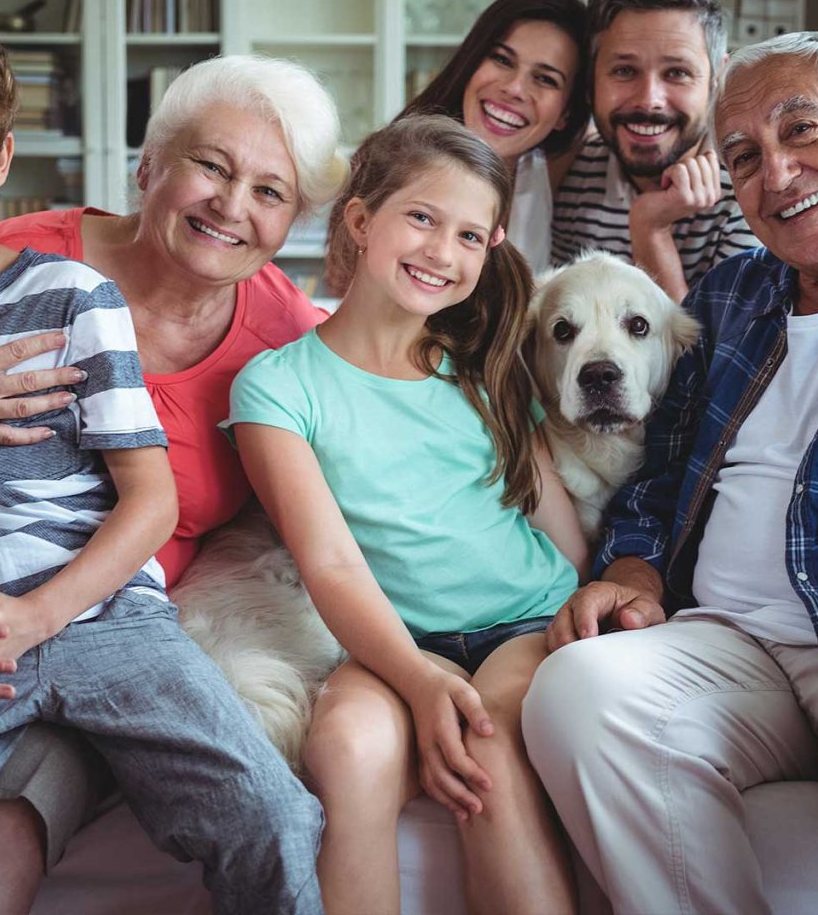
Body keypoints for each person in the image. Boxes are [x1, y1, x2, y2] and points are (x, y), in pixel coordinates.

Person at [0, 7, 325, 914]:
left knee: (272, 818)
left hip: (105, 618)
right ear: (149, 169)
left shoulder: (72, 296)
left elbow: (150, 497)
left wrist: (38, 616)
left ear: (3, 155)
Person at [523, 30, 818, 912]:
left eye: (803, 130)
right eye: (745, 156)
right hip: (725, 643)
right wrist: (634, 570)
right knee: (577, 690)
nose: (778, 173)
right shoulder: (729, 296)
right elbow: (660, 468)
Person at [227, 115, 590, 915]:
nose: (441, 251)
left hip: (523, 623)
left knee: (485, 742)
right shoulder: (277, 387)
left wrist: (587, 601)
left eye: (469, 235)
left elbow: (555, 523)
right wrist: (419, 680)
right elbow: (330, 564)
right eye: (422, 217)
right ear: (361, 220)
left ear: (489, 249)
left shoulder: (482, 373)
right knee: (345, 746)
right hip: (394, 642)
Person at [550, 0, 758, 301]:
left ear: (718, 82)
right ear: (589, 82)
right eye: (624, 71)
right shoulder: (573, 176)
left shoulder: (751, 191)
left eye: (677, 73)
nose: (649, 100)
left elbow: (720, 339)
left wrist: (651, 231)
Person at [390, 0, 588, 275]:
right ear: (471, 62)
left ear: (566, 114)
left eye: (545, 79)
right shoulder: (397, 165)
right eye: (502, 60)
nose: (514, 88)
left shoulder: (549, 171)